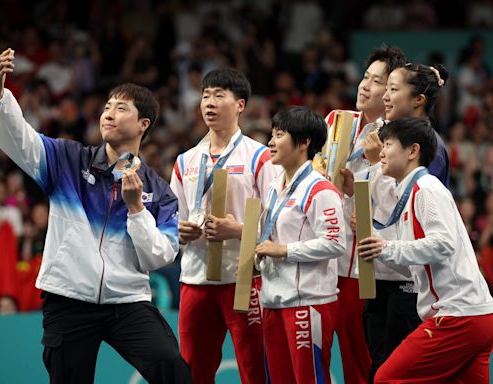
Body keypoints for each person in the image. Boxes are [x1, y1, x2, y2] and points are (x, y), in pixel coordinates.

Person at [0, 48, 192, 384]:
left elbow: (158, 256)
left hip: (127, 302)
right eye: (107, 106)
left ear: (143, 124)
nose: (109, 113)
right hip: (68, 298)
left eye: (121, 108)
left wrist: (136, 209)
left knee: (170, 365)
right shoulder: (67, 159)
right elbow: (17, 139)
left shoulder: (159, 191)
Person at [357, 117, 493, 383]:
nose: (381, 152)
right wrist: (379, 246)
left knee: (386, 378)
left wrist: (386, 247)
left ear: (412, 151)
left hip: (458, 315)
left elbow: (443, 243)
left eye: (388, 144)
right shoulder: (411, 193)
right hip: (474, 314)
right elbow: (414, 261)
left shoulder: (426, 188)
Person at [170, 67, 277, 384]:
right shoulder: (185, 160)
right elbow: (171, 220)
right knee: (193, 371)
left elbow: (277, 225)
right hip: (194, 280)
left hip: (243, 279)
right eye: (205, 96)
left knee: (255, 370)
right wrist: (180, 231)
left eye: (219, 95)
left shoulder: (261, 157)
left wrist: (238, 230)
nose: (210, 103)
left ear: (240, 105)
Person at [357, 60, 451, 382]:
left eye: (393, 89)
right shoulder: (386, 136)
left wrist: (374, 165)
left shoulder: (430, 150)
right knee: (378, 365)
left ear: (418, 100)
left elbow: (413, 214)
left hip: (409, 280)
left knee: (394, 371)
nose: (384, 94)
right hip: (379, 272)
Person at [323, 45, 407, 384]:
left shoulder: (399, 138)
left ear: (390, 92)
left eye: (376, 81)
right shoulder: (336, 122)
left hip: (367, 269)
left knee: (361, 361)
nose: (364, 85)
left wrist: (363, 178)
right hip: (326, 261)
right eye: (365, 77)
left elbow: (400, 203)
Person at [255, 106, 345, 383]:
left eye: (279, 135)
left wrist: (283, 250)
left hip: (308, 302)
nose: (271, 142)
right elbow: (268, 235)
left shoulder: (320, 190)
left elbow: (335, 243)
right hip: (272, 299)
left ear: (304, 142)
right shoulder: (274, 186)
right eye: (272, 134)